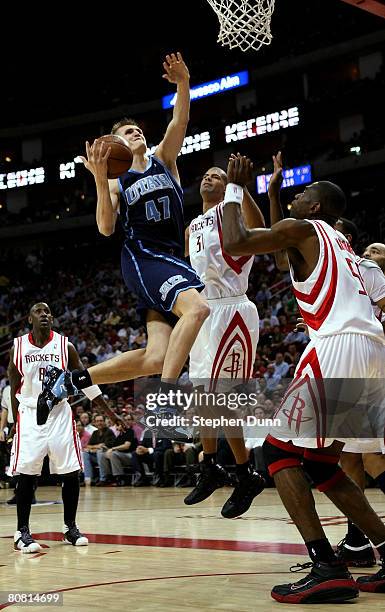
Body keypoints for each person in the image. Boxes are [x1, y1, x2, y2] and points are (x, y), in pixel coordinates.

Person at [222, 154, 385, 603]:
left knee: (275, 455)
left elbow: (236, 242)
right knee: (320, 464)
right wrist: (272, 195)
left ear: (315, 209)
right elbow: (280, 257)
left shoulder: (306, 230)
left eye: (303, 194)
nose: (297, 196)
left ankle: (326, 566)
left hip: (336, 348)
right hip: (370, 352)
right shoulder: (336, 243)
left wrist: (236, 190)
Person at [38, 53, 209, 440]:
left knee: (157, 358)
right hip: (144, 260)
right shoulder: (117, 182)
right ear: (116, 146)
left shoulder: (164, 159)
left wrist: (183, 83)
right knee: (197, 309)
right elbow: (105, 228)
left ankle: (68, 381)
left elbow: (179, 120)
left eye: (137, 130)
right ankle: (164, 405)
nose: (136, 134)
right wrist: (100, 179)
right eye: (127, 133)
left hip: (170, 261)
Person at [184, 160, 265, 518]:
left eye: (216, 175)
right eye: (206, 173)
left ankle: (245, 472)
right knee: (202, 394)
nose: (208, 176)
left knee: (225, 394)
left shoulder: (231, 209)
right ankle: (211, 465)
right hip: (203, 311)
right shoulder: (192, 226)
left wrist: (240, 187)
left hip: (232, 307)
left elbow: (260, 229)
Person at [7, 302, 114, 553]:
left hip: (60, 414)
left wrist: (108, 412)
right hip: (30, 414)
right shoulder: (18, 346)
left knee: (70, 472)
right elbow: (14, 386)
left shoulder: (66, 346)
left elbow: (85, 381)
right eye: (39, 311)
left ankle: (70, 528)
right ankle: (21, 532)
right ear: (29, 318)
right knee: (26, 474)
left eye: (48, 312)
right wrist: (14, 422)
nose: (45, 315)